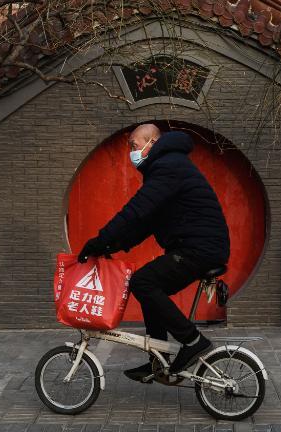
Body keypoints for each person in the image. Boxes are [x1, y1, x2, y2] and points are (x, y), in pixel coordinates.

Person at [77, 123, 230, 381]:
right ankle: (159, 362)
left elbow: (136, 210)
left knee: (143, 282)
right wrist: (107, 246)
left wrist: (99, 239)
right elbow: (145, 224)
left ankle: (193, 341)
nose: (131, 152)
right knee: (150, 290)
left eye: (134, 146)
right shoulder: (167, 167)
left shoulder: (169, 166)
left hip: (200, 248)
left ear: (151, 143)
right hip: (197, 246)